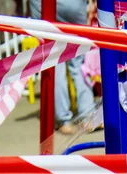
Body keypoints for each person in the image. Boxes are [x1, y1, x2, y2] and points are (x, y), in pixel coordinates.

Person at [29, 0, 96, 135]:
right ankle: (88, 116)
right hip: (73, 6)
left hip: (43, 5)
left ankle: (63, 121)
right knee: (77, 64)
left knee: (55, 65)